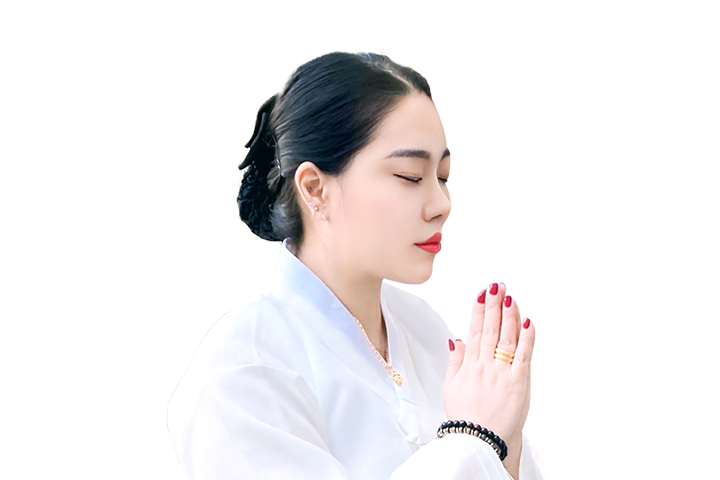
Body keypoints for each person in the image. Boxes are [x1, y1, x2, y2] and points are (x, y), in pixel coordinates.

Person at [167, 50, 557, 479]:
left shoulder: (421, 328)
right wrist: (474, 435)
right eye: (410, 176)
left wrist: (506, 438)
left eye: (443, 177)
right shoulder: (244, 368)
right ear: (314, 188)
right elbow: (476, 443)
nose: (442, 204)